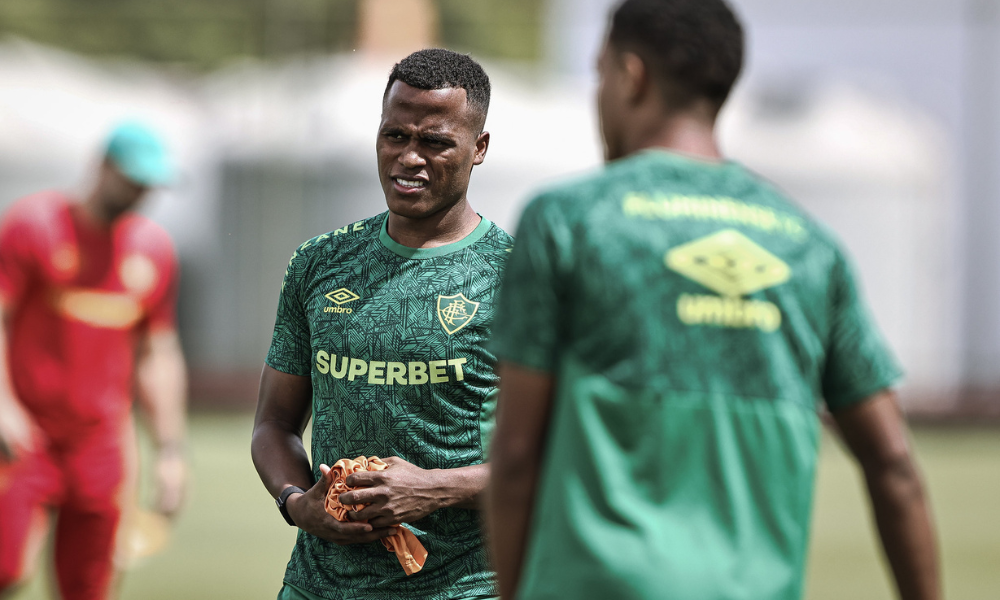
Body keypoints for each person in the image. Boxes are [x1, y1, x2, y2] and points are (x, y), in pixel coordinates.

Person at [486, 1, 941, 599]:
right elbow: (895, 466)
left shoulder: (567, 221)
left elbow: (517, 456)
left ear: (631, 76)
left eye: (599, 76)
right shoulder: (808, 245)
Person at [252, 48, 512, 600]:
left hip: (464, 586)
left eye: (435, 142)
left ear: (479, 147)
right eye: (396, 136)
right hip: (317, 584)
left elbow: (554, 457)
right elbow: (273, 424)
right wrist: (299, 504)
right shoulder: (319, 262)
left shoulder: (517, 278)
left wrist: (431, 489)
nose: (410, 157)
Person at [0, 122, 187, 600]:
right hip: (26, 434)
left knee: (90, 587)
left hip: (99, 444)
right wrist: (3, 406)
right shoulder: (33, 226)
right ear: (101, 167)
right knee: (8, 567)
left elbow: (156, 353)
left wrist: (168, 451)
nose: (138, 194)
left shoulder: (154, 251)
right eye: (130, 180)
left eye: (146, 185)